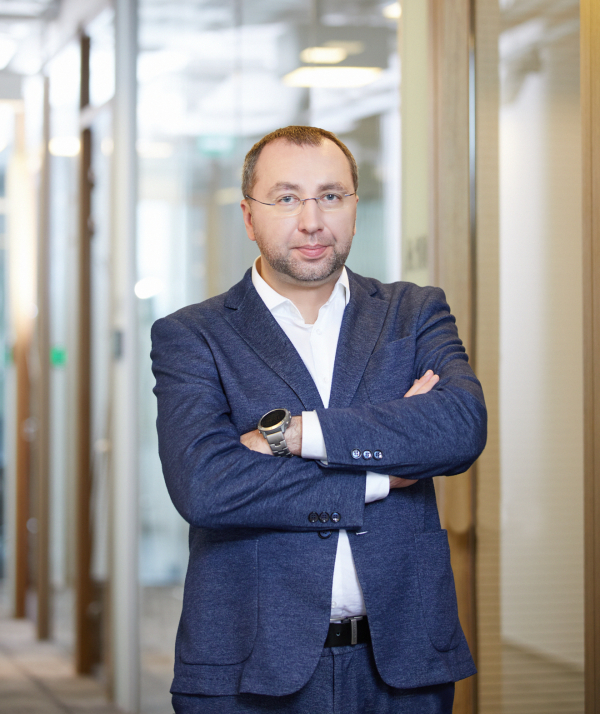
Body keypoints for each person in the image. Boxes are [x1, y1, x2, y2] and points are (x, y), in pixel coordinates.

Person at [151, 125, 487, 714]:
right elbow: (206, 486)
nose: (312, 221)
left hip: (405, 665)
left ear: (354, 207)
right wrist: (379, 476)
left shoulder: (414, 312)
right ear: (249, 216)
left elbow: (460, 426)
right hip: (248, 667)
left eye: (331, 196)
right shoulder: (193, 335)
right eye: (286, 198)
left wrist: (295, 434)